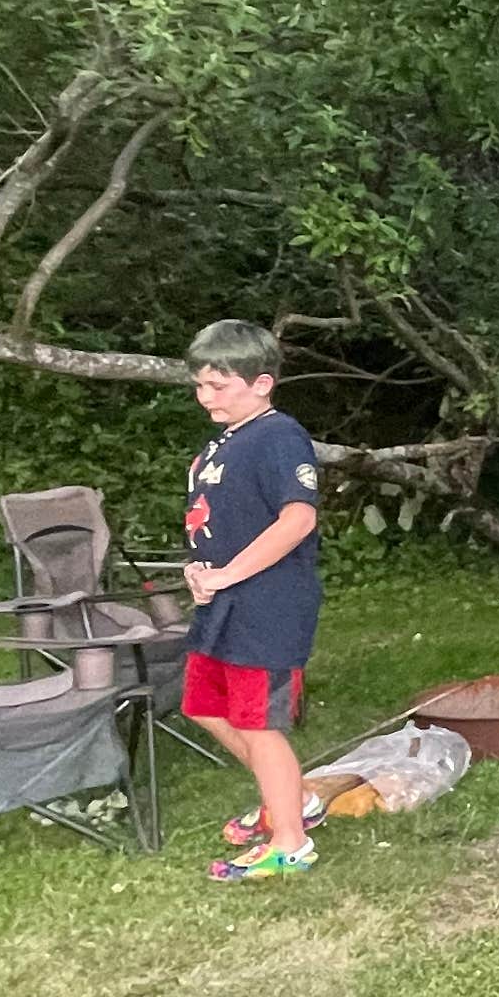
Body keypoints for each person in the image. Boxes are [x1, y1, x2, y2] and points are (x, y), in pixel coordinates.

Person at [177, 318, 326, 881]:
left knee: (259, 724)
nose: (203, 396)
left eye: (218, 385)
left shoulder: (279, 435)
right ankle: (294, 795)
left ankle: (289, 843)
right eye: (200, 384)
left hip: (269, 602)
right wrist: (201, 571)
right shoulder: (226, 438)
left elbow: (298, 518)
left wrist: (230, 574)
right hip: (225, 598)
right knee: (203, 706)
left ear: (261, 383)